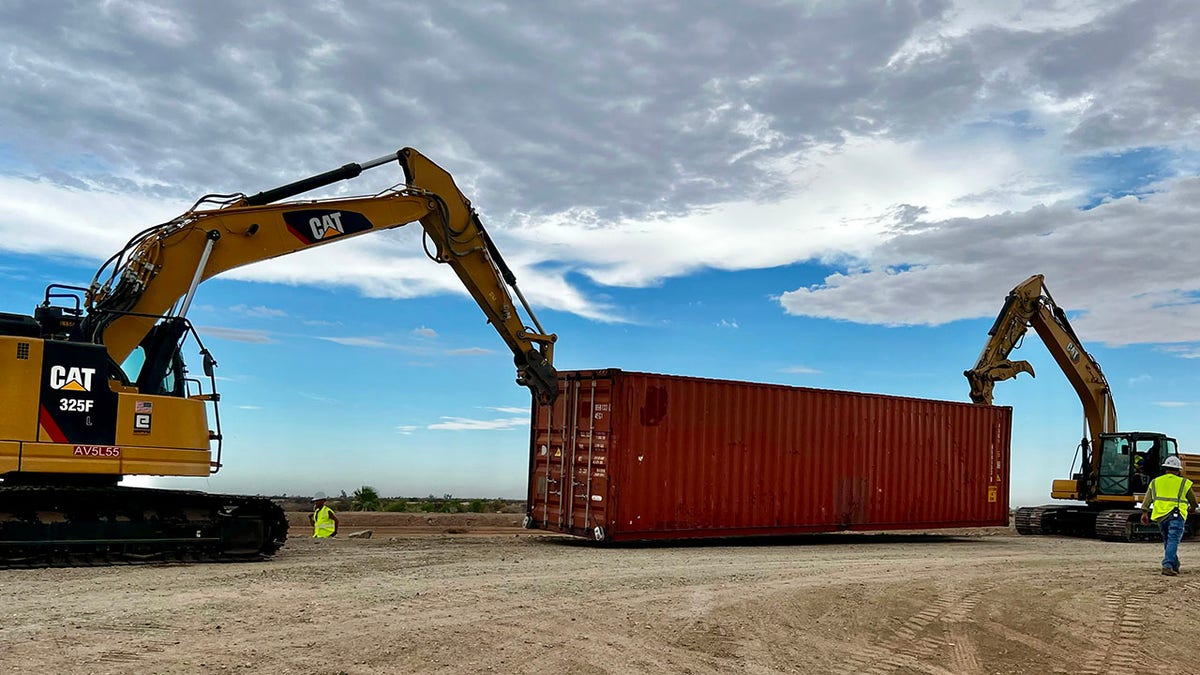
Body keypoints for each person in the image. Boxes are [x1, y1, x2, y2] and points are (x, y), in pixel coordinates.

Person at [1140, 455, 1197, 576]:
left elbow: (1147, 500)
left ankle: (1174, 565)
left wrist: (1144, 513)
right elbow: (1193, 501)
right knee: (1173, 540)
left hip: (1161, 516)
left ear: (1165, 468)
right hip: (1177, 515)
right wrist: (1192, 508)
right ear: (1178, 470)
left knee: (1168, 540)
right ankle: (1167, 565)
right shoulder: (1183, 483)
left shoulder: (1155, 482)